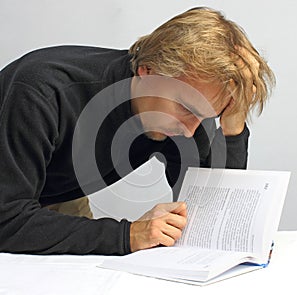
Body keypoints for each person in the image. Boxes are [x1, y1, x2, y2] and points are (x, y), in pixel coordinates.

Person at [0, 7, 274, 255]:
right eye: (186, 109)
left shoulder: (186, 110)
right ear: (147, 70)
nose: (190, 132)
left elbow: (211, 217)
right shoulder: (41, 91)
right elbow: (6, 219)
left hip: (55, 196)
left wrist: (233, 127)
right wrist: (129, 234)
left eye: (205, 117)